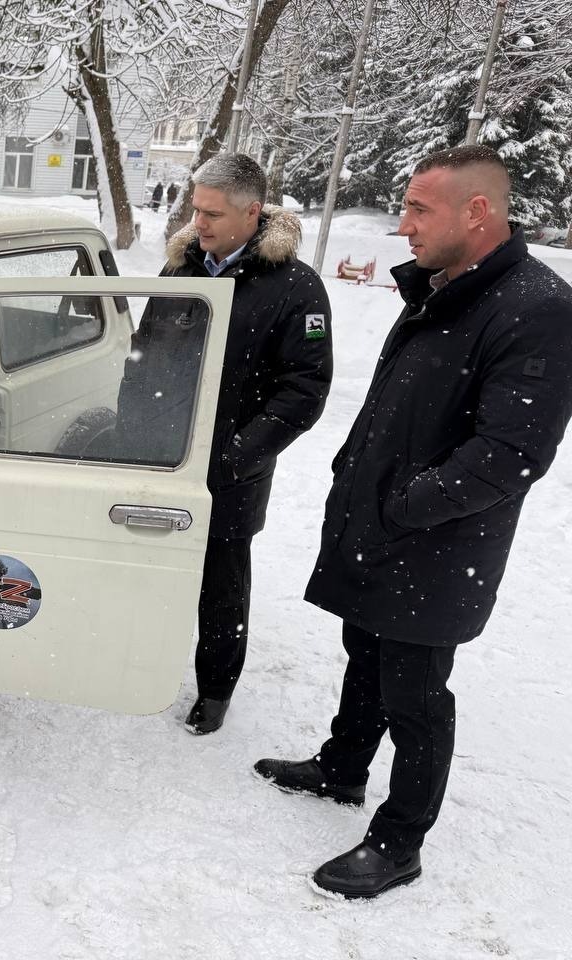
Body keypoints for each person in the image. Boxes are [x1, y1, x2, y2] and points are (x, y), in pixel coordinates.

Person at [255, 145, 572, 898]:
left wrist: (406, 505)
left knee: (418, 693)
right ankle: (342, 768)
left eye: (418, 209)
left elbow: (509, 453)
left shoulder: (538, 308)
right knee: (363, 651)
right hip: (384, 526)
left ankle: (401, 840)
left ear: (477, 211)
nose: (402, 227)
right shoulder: (446, 287)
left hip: (437, 546)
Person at [119, 153, 332, 734]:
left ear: (252, 212)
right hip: (162, 455)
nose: (199, 222)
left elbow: (304, 389)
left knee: (220, 580)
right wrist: (130, 433)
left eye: (212, 213)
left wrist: (239, 453)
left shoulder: (294, 287)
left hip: (233, 466)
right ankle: (139, 661)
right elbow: (143, 355)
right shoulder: (182, 269)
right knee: (153, 565)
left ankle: (215, 687)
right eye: (195, 209)